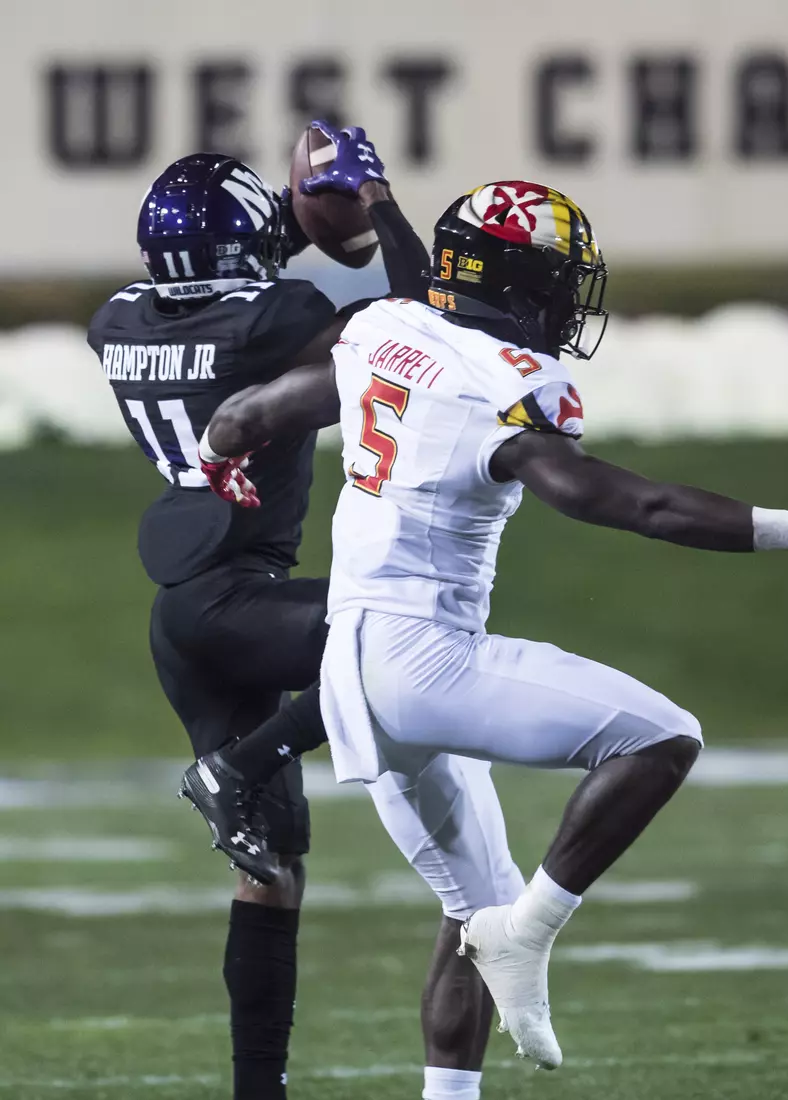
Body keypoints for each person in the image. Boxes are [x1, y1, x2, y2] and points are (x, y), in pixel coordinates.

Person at [194, 180, 788, 1097]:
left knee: (472, 909)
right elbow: (622, 501)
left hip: (348, 668)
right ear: (514, 280)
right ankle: (531, 931)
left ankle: (478, 1016)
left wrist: (220, 458)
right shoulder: (509, 380)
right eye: (558, 278)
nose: (570, 300)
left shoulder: (386, 330)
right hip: (428, 657)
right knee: (661, 736)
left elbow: (248, 416)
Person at [85, 123, 428, 1100]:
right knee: (399, 630)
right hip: (242, 593)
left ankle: (255, 1090)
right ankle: (239, 765)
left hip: (182, 617)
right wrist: (369, 204)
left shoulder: (113, 321)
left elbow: (222, 293)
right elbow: (420, 328)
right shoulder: (281, 312)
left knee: (270, 871)